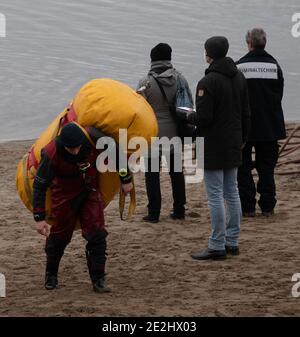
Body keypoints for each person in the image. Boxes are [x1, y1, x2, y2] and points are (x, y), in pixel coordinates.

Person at [33, 123, 133, 292]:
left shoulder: (95, 138)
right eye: (70, 149)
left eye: (77, 148)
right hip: (64, 194)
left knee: (97, 234)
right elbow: (40, 186)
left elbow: (117, 155)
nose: (75, 152)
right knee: (59, 238)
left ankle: (98, 280)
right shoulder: (51, 153)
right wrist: (39, 218)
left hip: (89, 190)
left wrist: (126, 179)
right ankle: (51, 274)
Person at [177, 36, 251, 260]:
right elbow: (246, 112)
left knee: (216, 195)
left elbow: (205, 119)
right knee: (232, 191)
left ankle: (217, 244)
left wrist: (188, 115)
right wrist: (243, 138)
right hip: (233, 141)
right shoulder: (239, 77)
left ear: (208, 54)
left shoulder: (207, 83)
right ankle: (232, 241)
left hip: (212, 145)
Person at [137, 43, 193, 223]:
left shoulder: (145, 83)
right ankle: (179, 210)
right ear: (169, 58)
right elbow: (188, 107)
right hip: (175, 133)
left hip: (152, 134)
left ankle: (154, 213)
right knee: (176, 172)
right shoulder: (180, 79)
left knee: (152, 174)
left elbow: (138, 111)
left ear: (152, 60)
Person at [236, 28, 286, 217]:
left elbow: (236, 97)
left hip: (245, 126)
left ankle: (247, 206)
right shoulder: (274, 66)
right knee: (267, 166)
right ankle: (267, 205)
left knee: (243, 166)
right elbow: (278, 95)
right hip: (269, 125)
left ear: (249, 43)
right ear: (264, 43)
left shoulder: (239, 67)